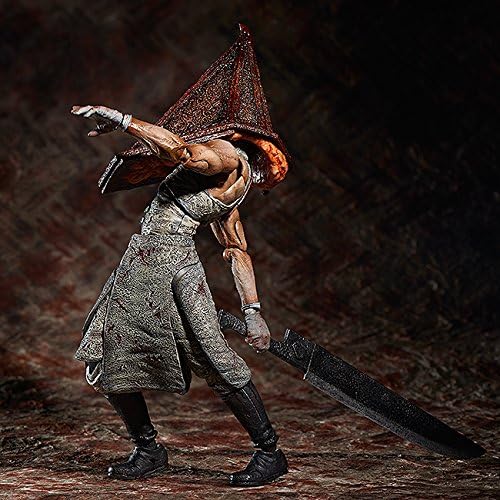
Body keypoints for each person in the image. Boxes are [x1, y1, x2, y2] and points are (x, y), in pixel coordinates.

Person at [72, 25, 290, 487]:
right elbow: (235, 247)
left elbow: (181, 151)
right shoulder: (238, 179)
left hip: (162, 261)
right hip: (154, 263)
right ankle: (151, 450)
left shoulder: (224, 154)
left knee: (143, 352)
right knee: (121, 351)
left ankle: (268, 452)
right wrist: (253, 311)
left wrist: (123, 120)